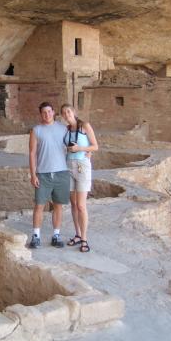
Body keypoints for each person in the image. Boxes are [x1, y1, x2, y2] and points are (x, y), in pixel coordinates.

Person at [28, 101, 70, 248]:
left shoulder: (63, 129)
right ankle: (36, 235)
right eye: (44, 112)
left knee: (58, 206)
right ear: (41, 114)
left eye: (49, 112)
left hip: (61, 172)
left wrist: (87, 152)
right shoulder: (36, 130)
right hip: (43, 174)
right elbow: (32, 153)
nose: (47, 115)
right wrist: (33, 175)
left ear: (53, 112)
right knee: (39, 205)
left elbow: (73, 145)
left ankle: (56, 235)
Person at [60, 103, 98, 253]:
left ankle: (84, 238)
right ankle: (77, 234)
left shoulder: (84, 126)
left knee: (81, 205)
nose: (66, 114)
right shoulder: (66, 130)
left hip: (82, 166)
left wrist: (80, 149)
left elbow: (95, 146)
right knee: (73, 204)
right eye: (64, 113)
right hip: (69, 165)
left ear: (74, 112)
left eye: (68, 111)